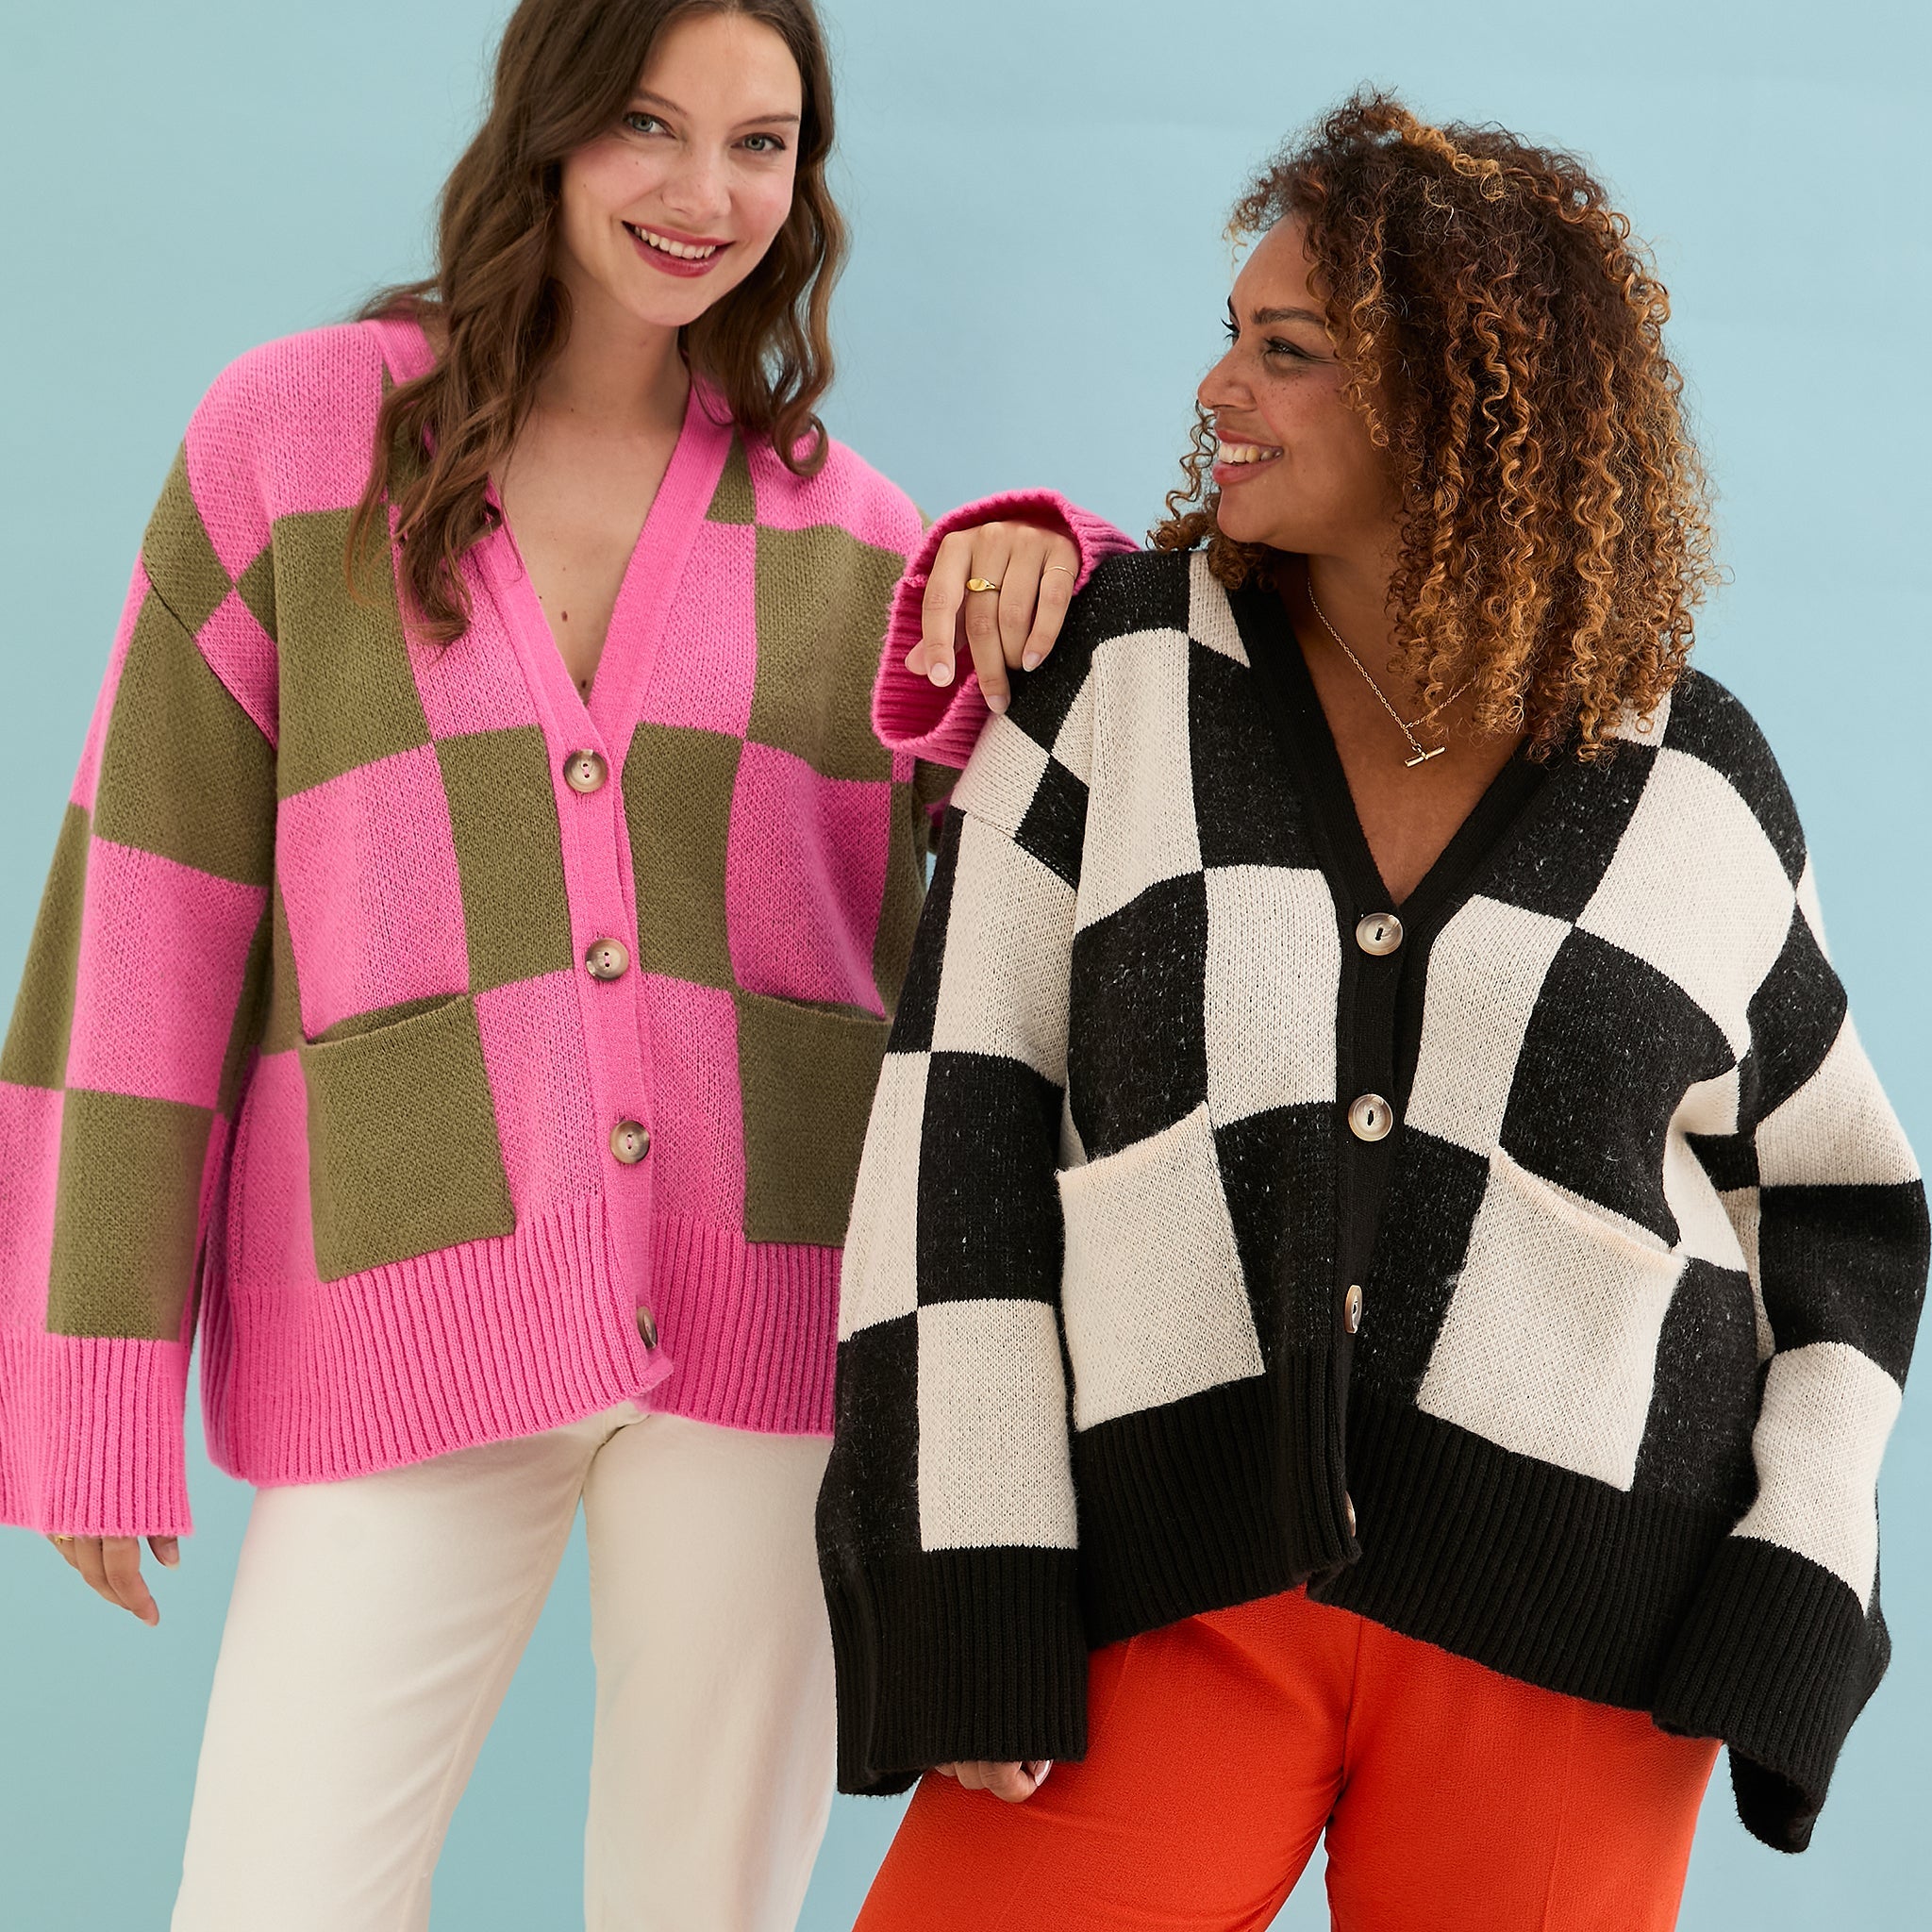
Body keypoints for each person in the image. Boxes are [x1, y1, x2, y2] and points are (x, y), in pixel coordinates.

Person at [0, 3, 1108, 1926]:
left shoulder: (854, 541)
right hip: (403, 1292)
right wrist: (87, 1371)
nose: (705, 193)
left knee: (705, 1906)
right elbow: (146, 908)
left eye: (760, 144)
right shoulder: (299, 441)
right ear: (549, 122)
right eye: (650, 127)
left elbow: (1081, 818)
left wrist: (1052, 557)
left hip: (768, 1326)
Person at [820, 91, 1929, 1931]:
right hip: (1171, 1593)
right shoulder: (1121, 680)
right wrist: (969, 1585)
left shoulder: (1688, 779)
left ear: (1458, 400)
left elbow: (1841, 1216)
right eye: (1233, 336)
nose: (1218, 388)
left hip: (1574, 1641)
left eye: (1288, 351)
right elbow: (958, 1140)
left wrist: (1792, 1589)